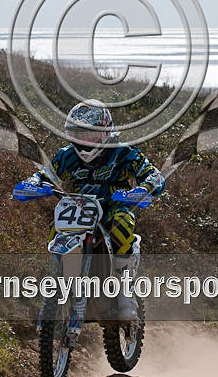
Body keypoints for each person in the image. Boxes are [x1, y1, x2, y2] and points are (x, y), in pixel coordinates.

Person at [18, 99, 165, 320]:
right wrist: (32, 183)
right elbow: (46, 174)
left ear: (105, 132)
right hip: (79, 207)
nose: (83, 142)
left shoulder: (124, 153)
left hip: (113, 206)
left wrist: (143, 189)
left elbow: (154, 175)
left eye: (90, 136)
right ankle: (58, 281)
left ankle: (125, 289)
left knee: (121, 225)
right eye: (78, 135)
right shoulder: (67, 155)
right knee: (56, 228)